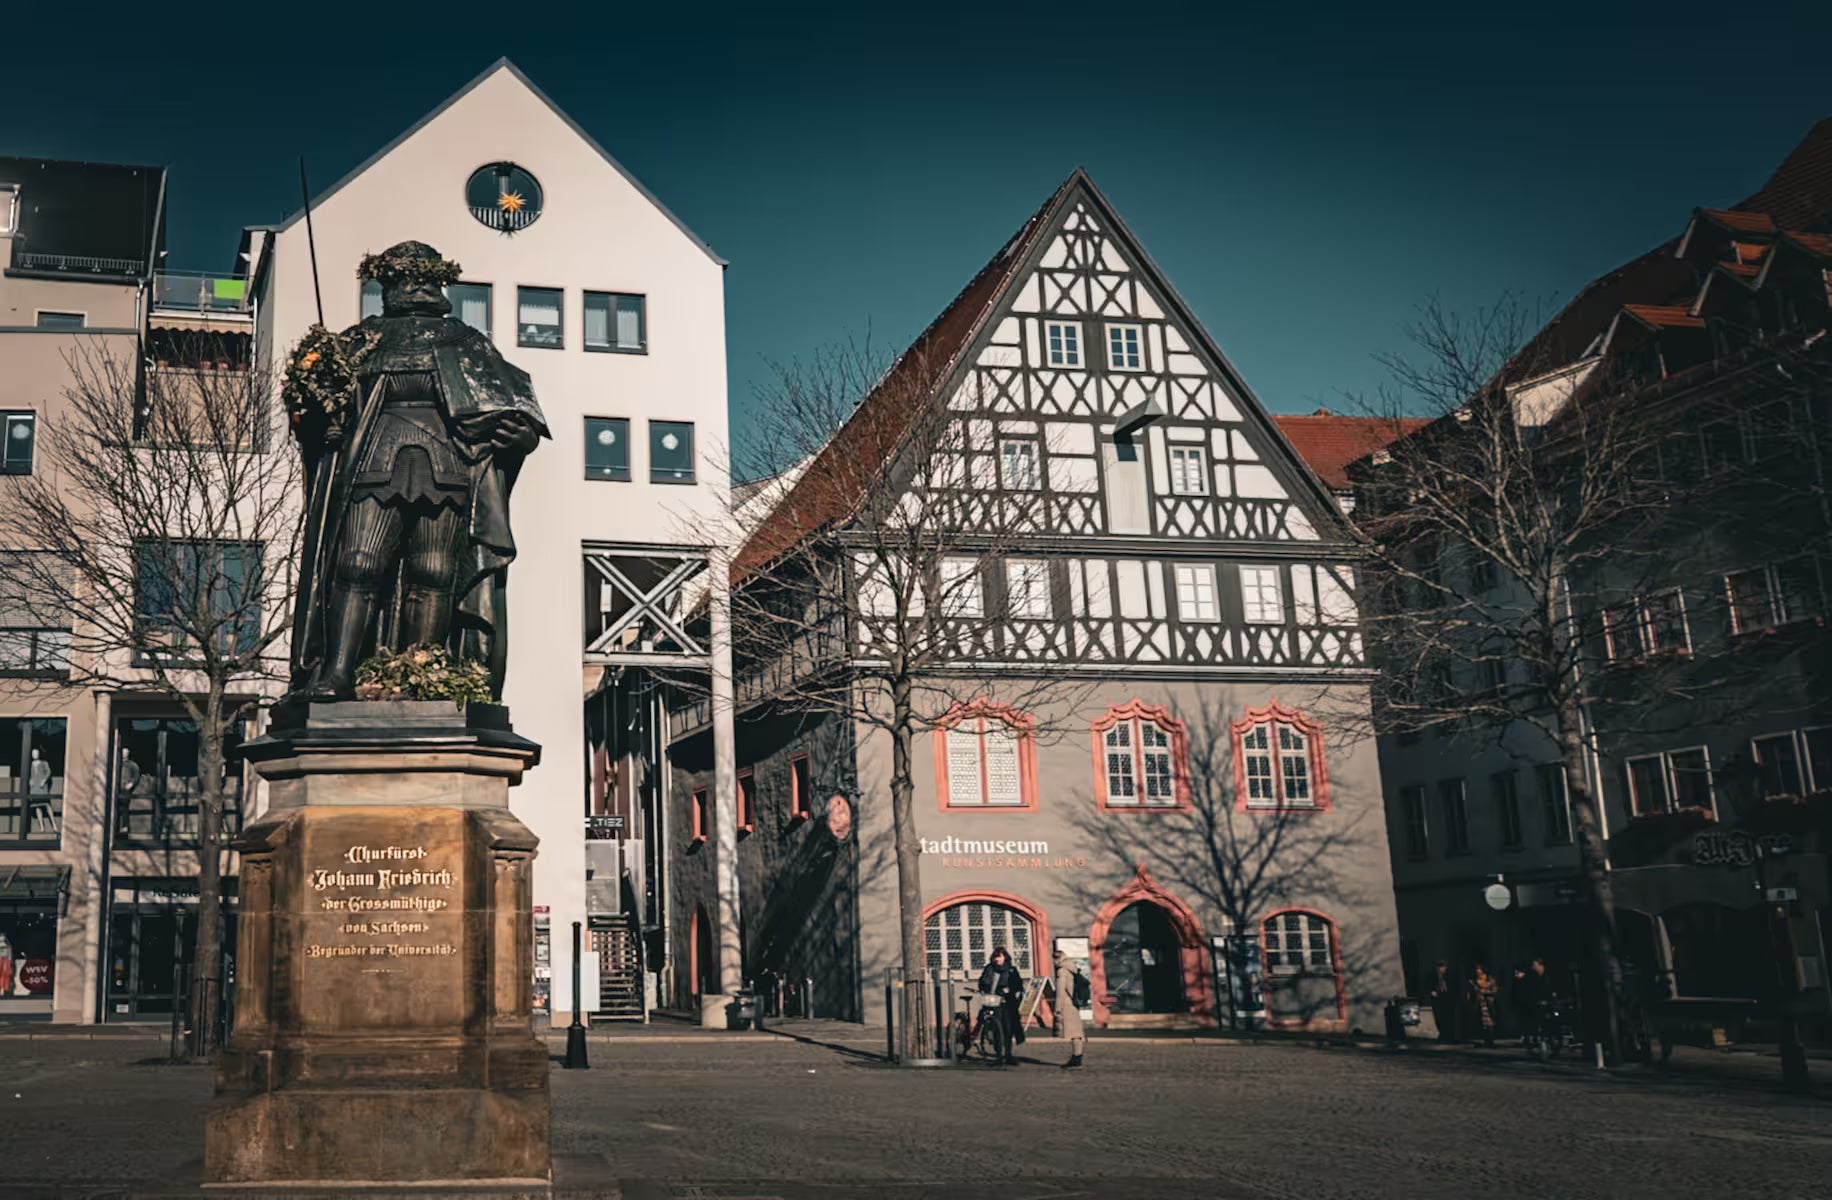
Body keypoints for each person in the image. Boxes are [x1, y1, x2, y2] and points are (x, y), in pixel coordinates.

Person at [977, 946, 1025, 1066]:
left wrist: (1009, 990)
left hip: (1008, 1003)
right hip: (993, 1002)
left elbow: (1018, 984)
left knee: (1008, 1028)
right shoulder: (989, 969)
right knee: (996, 1029)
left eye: (999, 956)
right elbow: (982, 982)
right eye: (995, 957)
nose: (997, 959)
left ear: (1005, 957)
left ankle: (1008, 1054)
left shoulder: (1011, 970)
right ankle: (999, 1055)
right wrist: (983, 989)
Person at [1051, 948, 1086, 1070]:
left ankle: (1076, 1058)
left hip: (1067, 1004)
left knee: (1074, 1033)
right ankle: (1077, 1056)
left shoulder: (1062, 971)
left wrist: (1057, 1009)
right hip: (1074, 1003)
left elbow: (1060, 992)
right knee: (1077, 1033)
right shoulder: (1072, 968)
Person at [1467, 962, 1499, 1047]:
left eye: (1480, 969)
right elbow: (1470, 993)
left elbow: (1495, 990)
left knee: (1490, 1022)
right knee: (1482, 1023)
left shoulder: (1489, 979)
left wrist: (1486, 992)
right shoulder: (1473, 981)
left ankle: (1490, 1040)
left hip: (1489, 1003)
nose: (1478, 971)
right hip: (1479, 1003)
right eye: (1477, 969)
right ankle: (1485, 1039)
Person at [1426, 960, 1456, 1043]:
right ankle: (1443, 1035)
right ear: (1438, 968)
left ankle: (1448, 1036)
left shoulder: (1447, 975)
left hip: (1446, 998)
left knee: (1447, 1018)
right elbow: (1427, 985)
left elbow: (1451, 985)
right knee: (1438, 1017)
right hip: (1437, 998)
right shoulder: (1432, 975)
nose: (1444, 969)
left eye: (1445, 967)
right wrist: (1432, 991)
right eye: (1443, 967)